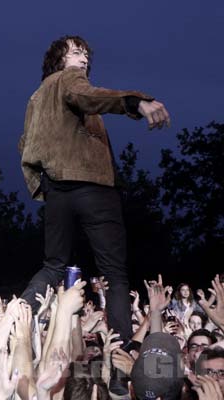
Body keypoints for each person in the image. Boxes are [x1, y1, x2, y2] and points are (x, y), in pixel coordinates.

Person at [18, 35, 171, 341]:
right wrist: (134, 101)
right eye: (76, 52)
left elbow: (25, 146)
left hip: (57, 189)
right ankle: (118, 353)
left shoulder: (36, 97)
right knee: (114, 274)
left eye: (86, 54)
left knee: (52, 266)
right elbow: (88, 96)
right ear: (60, 59)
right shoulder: (70, 80)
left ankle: (14, 325)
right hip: (93, 186)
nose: (84, 59)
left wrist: (44, 187)